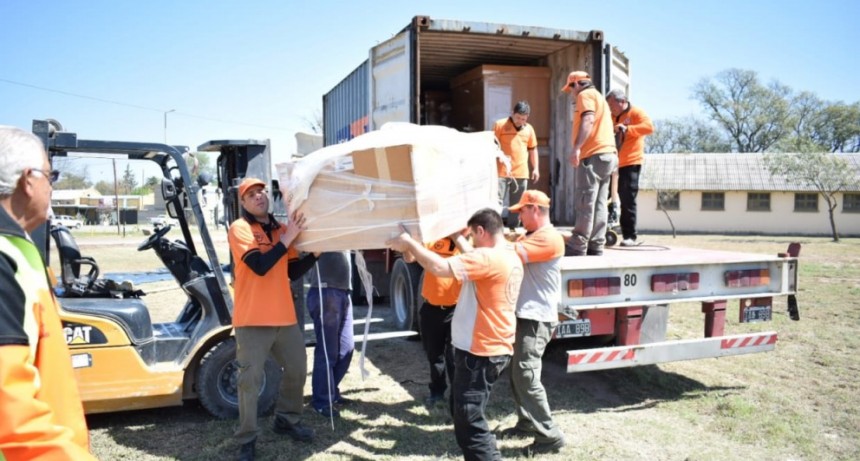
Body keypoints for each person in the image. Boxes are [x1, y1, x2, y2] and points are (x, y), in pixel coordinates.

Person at [387, 208, 524, 461]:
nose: (469, 239)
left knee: (470, 421)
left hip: (480, 352)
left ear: (482, 231)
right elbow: (473, 254)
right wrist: (455, 235)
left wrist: (408, 243)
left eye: (472, 234)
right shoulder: (508, 254)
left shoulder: (487, 258)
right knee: (467, 417)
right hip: (495, 348)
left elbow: (439, 267)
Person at [0, 126, 98, 460]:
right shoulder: (2, 260)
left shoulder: (17, 250)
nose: (52, 187)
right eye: (50, 175)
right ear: (28, 180)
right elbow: (11, 413)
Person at [228, 177, 319, 461]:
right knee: (249, 381)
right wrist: (288, 239)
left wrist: (315, 254)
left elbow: (290, 271)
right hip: (252, 319)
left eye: (261, 192)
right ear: (243, 202)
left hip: (284, 317)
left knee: (297, 370)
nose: (258, 197)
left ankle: (287, 419)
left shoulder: (281, 229)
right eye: (251, 194)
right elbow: (259, 266)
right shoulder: (240, 228)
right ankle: (247, 439)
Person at [498, 190, 566, 456]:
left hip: (536, 317)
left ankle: (549, 436)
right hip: (526, 314)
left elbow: (509, 253)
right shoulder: (535, 236)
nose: (519, 217)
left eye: (522, 212)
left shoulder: (549, 238)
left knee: (525, 374)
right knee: (518, 373)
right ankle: (527, 423)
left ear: (535, 209)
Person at [561, 71, 618, 256]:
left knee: (585, 200)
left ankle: (578, 245)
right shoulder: (600, 97)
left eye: (571, 89)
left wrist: (577, 147)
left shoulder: (585, 95)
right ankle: (596, 244)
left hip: (593, 154)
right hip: (608, 155)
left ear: (576, 84)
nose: (571, 93)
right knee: (600, 202)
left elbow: (588, 119)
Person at [414, 237, 462, 408]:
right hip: (431, 308)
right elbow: (411, 258)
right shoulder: (432, 239)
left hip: (456, 309)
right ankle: (437, 391)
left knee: (454, 356)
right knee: (434, 354)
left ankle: (457, 397)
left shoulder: (466, 241)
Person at [306, 251, 355, 419]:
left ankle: (330, 392)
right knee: (328, 352)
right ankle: (321, 401)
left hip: (343, 290)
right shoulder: (326, 226)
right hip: (325, 290)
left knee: (346, 349)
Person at [606, 88, 654, 246]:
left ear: (622, 101)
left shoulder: (636, 112)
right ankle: (603, 229)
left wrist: (628, 129)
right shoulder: (611, 117)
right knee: (604, 196)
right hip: (613, 163)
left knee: (627, 198)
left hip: (631, 162)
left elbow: (649, 127)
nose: (611, 108)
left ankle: (629, 236)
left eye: (612, 105)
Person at [493, 101, 539, 230]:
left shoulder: (529, 129)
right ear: (512, 113)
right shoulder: (500, 125)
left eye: (523, 119)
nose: (520, 121)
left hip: (521, 171)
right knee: (497, 201)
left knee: (518, 204)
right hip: (501, 171)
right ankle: (495, 228)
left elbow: (533, 149)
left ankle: (513, 229)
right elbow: (492, 146)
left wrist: (535, 168)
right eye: (518, 117)